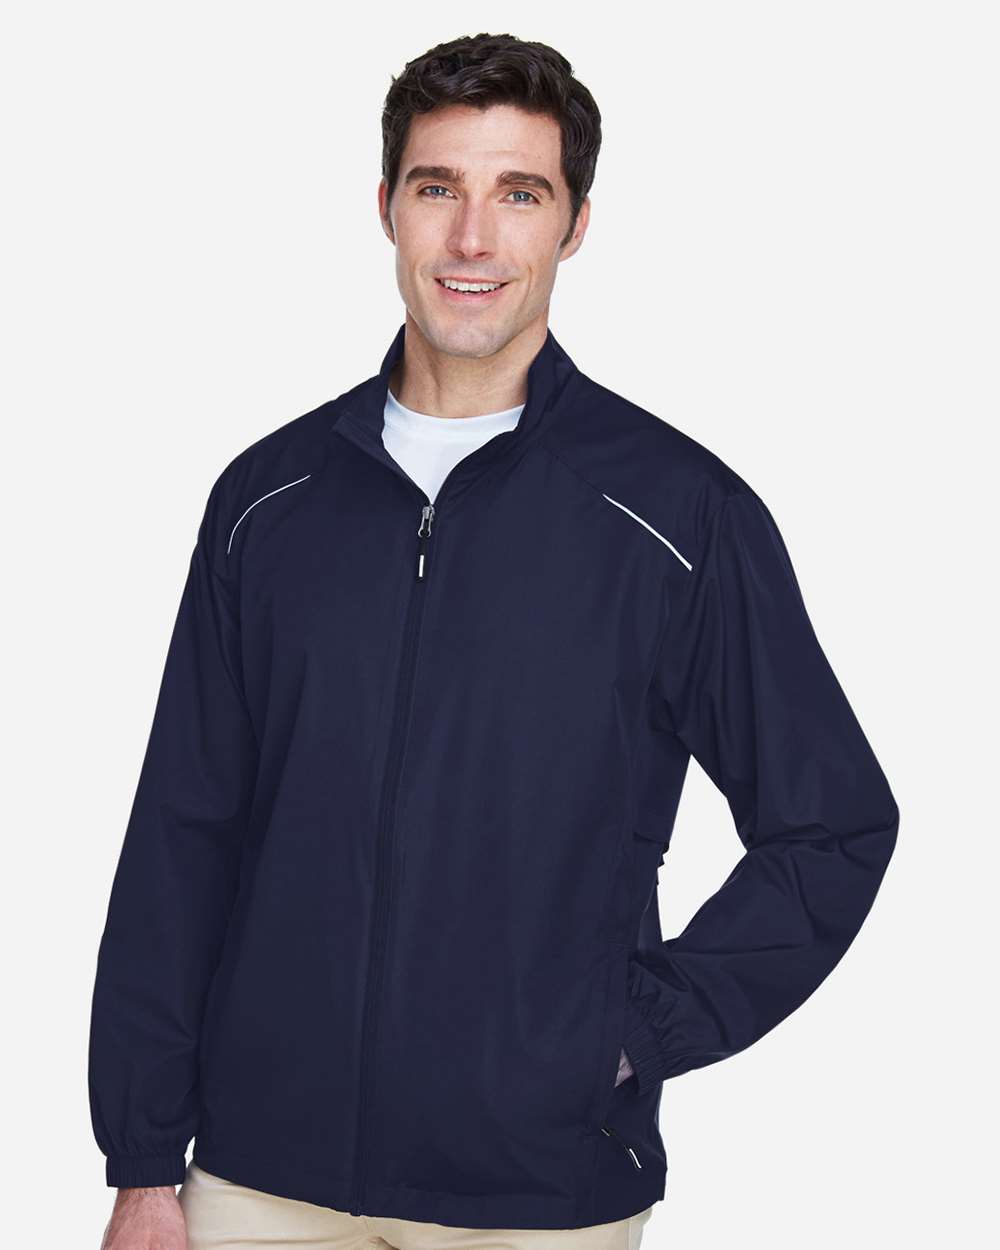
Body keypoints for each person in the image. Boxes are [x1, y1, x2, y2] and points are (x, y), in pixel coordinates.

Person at [88, 31, 899, 1250]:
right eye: (439, 189)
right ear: (386, 207)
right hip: (258, 1177)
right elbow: (181, 832)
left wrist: (633, 1031)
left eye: (519, 193)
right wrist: (144, 1159)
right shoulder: (268, 499)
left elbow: (832, 822)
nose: (472, 238)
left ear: (573, 225)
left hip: (536, 1192)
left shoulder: (675, 515)